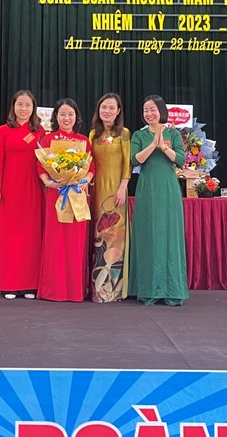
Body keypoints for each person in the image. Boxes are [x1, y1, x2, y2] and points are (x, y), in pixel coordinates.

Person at [129, 95, 188, 306]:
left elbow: (180, 159)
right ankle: (147, 289)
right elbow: (135, 160)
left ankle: (172, 289)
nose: (149, 114)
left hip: (168, 189)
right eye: (146, 110)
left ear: (161, 111)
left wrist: (163, 147)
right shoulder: (139, 135)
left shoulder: (173, 133)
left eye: (152, 109)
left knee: (169, 234)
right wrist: (153, 145)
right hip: (147, 188)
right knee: (148, 233)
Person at [36, 98, 95, 302]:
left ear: (76, 117)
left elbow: (91, 167)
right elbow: (40, 166)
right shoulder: (47, 140)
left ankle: (74, 290)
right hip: (57, 194)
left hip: (77, 195)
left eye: (70, 114)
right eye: (62, 114)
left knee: (75, 243)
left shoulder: (83, 140)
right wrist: (48, 182)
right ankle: (54, 290)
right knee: (55, 242)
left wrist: (85, 180)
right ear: (56, 117)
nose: (66, 118)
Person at [0, 90, 46, 300]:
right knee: (10, 236)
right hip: (9, 189)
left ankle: (30, 284)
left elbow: (45, 161)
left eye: (28, 105)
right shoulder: (3, 131)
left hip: (33, 189)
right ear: (14, 106)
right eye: (20, 104)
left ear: (33, 108)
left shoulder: (40, 131)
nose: (23, 108)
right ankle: (10, 284)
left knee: (31, 236)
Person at [88, 92, 131, 303]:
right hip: (97, 191)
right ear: (99, 110)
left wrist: (123, 187)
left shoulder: (124, 133)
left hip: (116, 192)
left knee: (115, 237)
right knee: (98, 238)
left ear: (118, 111)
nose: (107, 111)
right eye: (104, 107)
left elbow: (127, 163)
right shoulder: (92, 135)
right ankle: (97, 290)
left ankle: (114, 291)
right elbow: (88, 163)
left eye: (112, 108)